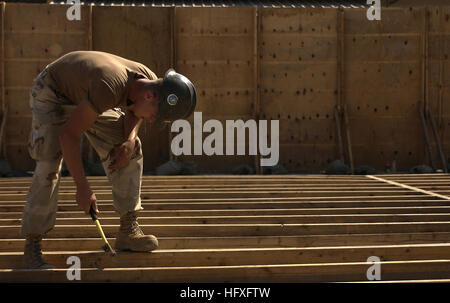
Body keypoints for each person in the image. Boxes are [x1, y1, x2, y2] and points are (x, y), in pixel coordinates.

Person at [20, 50, 197, 269]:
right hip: (52, 92)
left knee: (130, 148)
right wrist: (82, 187)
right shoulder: (109, 85)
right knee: (48, 165)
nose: (152, 121)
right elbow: (69, 135)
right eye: (155, 115)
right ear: (150, 96)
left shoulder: (149, 81)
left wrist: (130, 141)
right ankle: (32, 245)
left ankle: (127, 230)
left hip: (88, 97)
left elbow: (134, 110)